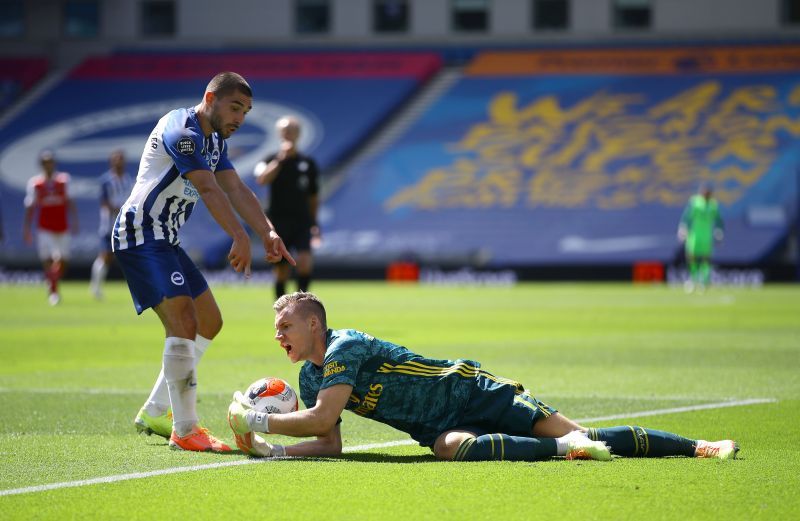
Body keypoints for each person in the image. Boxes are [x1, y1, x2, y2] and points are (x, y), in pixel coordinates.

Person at [228, 291, 739, 461]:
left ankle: (699, 446)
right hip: (434, 426)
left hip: (469, 388)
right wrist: (268, 449)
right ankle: (565, 453)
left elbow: (323, 418)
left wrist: (257, 421)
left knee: (584, 434)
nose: (279, 336)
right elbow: (328, 442)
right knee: (451, 448)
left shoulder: (346, 346)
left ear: (313, 324)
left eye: (285, 326)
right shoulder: (314, 379)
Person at [112, 72, 295, 453]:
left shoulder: (213, 140)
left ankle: (156, 410)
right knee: (183, 321)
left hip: (165, 238)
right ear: (210, 98)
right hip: (142, 234)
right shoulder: (182, 130)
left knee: (209, 320)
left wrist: (267, 232)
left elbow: (236, 187)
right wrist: (240, 235)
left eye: (245, 111)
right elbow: (209, 188)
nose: (240, 118)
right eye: (234, 107)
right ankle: (186, 428)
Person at [253, 116, 319, 300]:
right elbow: (262, 179)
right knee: (281, 270)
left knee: (305, 263)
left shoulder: (308, 163)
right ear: (280, 134)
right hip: (279, 221)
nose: (288, 134)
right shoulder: (270, 159)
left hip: (302, 221)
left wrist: (314, 222)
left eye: (291, 130)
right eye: (285, 131)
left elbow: (313, 196)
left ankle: (302, 305)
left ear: (298, 134)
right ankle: (281, 310)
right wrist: (281, 159)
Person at [23, 151, 79, 305]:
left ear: (54, 164)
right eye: (45, 162)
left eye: (51, 162)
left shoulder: (63, 180)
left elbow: (70, 202)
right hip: (45, 228)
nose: (48, 165)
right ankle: (54, 291)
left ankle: (51, 282)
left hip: (62, 228)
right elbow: (30, 207)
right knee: (48, 260)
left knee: (64, 261)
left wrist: (75, 221)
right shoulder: (35, 184)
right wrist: (26, 229)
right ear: (42, 165)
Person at [90, 150, 134, 299]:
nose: (119, 162)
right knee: (105, 256)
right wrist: (120, 210)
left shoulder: (128, 180)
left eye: (121, 159)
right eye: (116, 159)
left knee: (131, 255)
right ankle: (95, 287)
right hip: (109, 225)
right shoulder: (106, 181)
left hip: (126, 225)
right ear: (111, 162)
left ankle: (135, 288)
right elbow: (105, 203)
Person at [678, 182, 724, 293]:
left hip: (706, 237)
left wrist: (719, 231)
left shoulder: (713, 205)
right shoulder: (694, 202)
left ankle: (705, 281)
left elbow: (719, 220)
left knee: (705, 260)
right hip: (694, 236)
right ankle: (694, 280)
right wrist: (683, 228)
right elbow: (686, 217)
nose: (706, 194)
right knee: (692, 258)